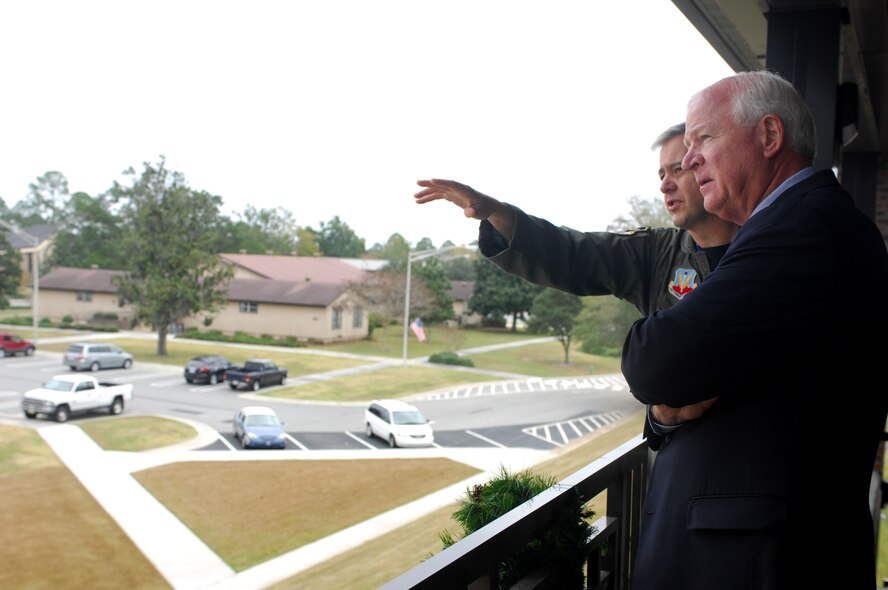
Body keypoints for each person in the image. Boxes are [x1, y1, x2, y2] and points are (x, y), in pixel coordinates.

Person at [621, 70, 888, 589]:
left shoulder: (804, 227)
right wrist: (666, 412)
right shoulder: (793, 224)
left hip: (759, 564)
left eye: (704, 138)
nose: (690, 157)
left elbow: (656, 361)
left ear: (769, 136)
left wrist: (650, 347)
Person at [415, 124, 737, 447]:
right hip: (682, 461)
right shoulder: (656, 252)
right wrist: (498, 213)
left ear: (707, 166)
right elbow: (572, 253)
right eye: (661, 174)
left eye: (677, 169)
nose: (665, 186)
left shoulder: (764, 250)